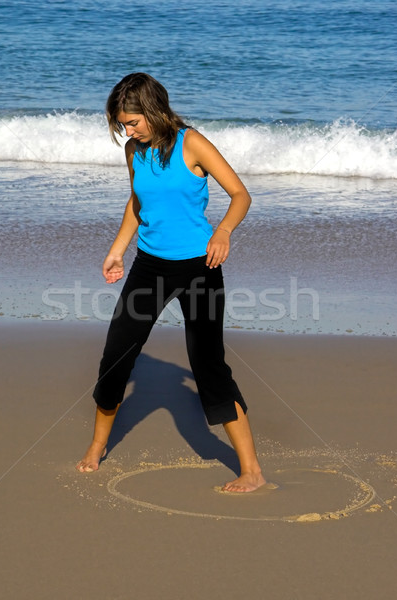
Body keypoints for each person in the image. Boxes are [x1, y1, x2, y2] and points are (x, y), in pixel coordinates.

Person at [76, 73, 266, 493]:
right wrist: (117, 249)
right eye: (123, 125)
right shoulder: (133, 151)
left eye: (133, 122)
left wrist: (223, 232)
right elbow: (138, 202)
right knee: (115, 357)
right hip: (149, 266)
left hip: (199, 265)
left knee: (208, 364)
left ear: (154, 109)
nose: (128, 131)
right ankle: (96, 446)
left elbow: (240, 195)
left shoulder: (192, 143)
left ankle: (251, 470)